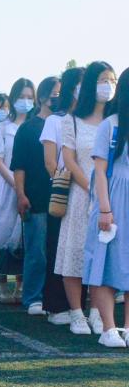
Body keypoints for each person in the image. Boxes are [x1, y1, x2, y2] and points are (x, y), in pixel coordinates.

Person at [56, 61, 117, 336]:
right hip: (81, 196)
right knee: (76, 252)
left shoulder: (116, 120)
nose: (109, 86)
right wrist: (91, 189)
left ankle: (97, 310)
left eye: (112, 80)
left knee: (103, 255)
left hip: (111, 196)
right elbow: (69, 159)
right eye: (103, 80)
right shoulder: (71, 121)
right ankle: (77, 312)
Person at [0, 78, 37, 300]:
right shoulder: (2, 128)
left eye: (30, 97)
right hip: (7, 186)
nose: (26, 101)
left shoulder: (35, 126)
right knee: (1, 233)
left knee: (22, 237)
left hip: (31, 186)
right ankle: (1, 283)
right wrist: (16, 183)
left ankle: (21, 286)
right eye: (21, 97)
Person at [85, 69, 128, 347]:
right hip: (113, 199)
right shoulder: (110, 125)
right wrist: (104, 209)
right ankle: (108, 328)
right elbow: (100, 171)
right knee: (104, 261)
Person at [11, 77, 60, 317]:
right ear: (43, 97)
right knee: (36, 251)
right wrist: (20, 194)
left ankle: (54, 297)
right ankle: (33, 297)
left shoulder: (66, 124)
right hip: (36, 197)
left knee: (57, 251)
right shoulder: (28, 128)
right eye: (55, 94)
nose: (59, 98)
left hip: (62, 198)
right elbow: (18, 166)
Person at [39, 66, 84, 326]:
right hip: (64, 192)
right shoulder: (55, 120)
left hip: (89, 193)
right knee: (58, 247)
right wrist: (64, 186)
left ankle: (86, 306)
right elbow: (50, 161)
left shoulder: (92, 119)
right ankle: (56, 306)